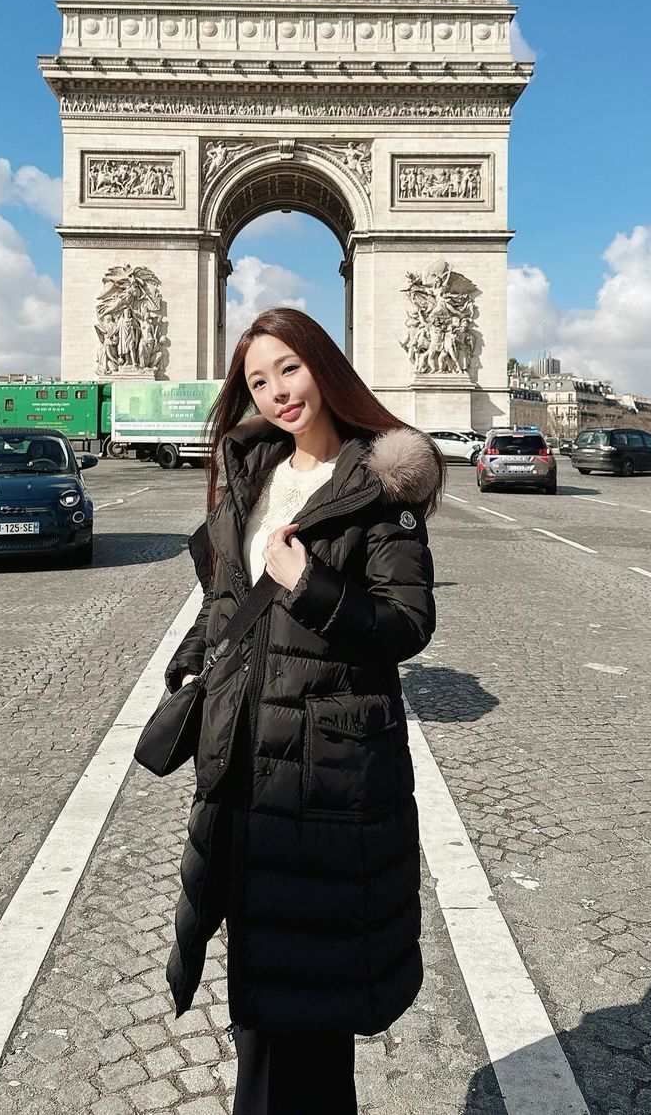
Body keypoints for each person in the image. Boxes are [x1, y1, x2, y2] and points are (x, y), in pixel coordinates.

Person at [161, 307, 444, 1115]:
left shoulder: (380, 487)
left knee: (304, 1015)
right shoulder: (252, 471)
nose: (277, 390)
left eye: (289, 367)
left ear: (324, 363)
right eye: (258, 380)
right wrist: (195, 653)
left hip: (324, 785)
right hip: (244, 771)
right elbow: (228, 594)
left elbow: (408, 623)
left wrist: (311, 586)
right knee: (263, 1002)